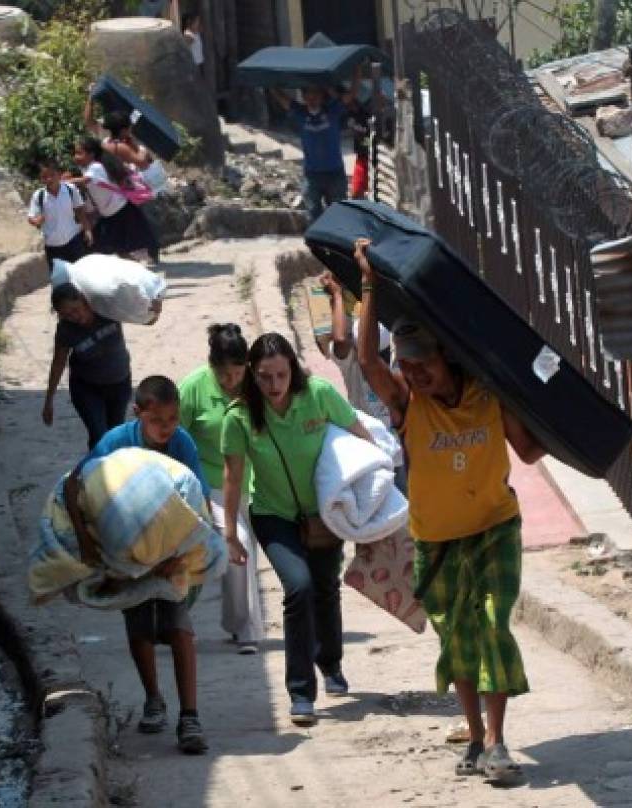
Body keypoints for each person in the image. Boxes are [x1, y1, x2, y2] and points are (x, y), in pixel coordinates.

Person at [351, 237, 545, 785]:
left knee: (490, 623)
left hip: (493, 530)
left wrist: (565, 424)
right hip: (434, 542)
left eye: (422, 365)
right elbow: (366, 360)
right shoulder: (405, 407)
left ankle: (500, 741)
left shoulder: (488, 395)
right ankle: (475, 736)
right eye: (407, 368)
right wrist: (366, 283)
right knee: (456, 637)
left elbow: (529, 449)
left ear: (446, 356)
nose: (414, 376)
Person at [220, 333, 375, 726]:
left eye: (281, 375)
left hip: (324, 513)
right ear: (252, 377)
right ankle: (301, 692)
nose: (274, 386)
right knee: (299, 586)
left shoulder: (319, 395)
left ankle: (331, 664)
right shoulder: (239, 417)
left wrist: (377, 493)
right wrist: (230, 533)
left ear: (293, 371)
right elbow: (233, 479)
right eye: (265, 377)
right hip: (273, 517)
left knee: (325, 587)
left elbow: (361, 436)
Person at [61, 375, 210, 755]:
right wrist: (85, 543)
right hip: (128, 557)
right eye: (157, 421)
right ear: (137, 414)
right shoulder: (115, 444)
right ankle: (154, 699)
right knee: (140, 626)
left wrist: (178, 554)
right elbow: (73, 486)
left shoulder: (182, 444)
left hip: (174, 556)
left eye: (173, 419)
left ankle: (189, 716)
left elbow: (200, 502)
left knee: (179, 629)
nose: (166, 429)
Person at [179, 324, 264, 654]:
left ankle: (235, 620)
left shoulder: (258, 383)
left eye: (237, 372)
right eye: (223, 375)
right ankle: (246, 629)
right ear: (211, 366)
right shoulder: (193, 388)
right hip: (212, 483)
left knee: (247, 552)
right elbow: (173, 434)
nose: (231, 382)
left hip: (257, 480)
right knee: (238, 544)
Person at [318, 269, 406, 492]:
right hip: (368, 449)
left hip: (401, 452)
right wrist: (337, 296)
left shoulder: (400, 363)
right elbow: (339, 338)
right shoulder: (353, 365)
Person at [42, 282, 133, 450]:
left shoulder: (107, 310)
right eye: (67, 315)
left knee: (115, 437)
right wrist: (49, 400)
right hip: (87, 388)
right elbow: (58, 363)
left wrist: (154, 308)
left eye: (75, 309)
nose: (74, 317)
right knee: (99, 436)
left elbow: (141, 314)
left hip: (120, 384)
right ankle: (97, 473)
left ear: (84, 300)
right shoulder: (66, 330)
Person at [269, 75, 358, 222]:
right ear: (303, 97)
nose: (313, 98)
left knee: (339, 214)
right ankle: (317, 244)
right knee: (313, 214)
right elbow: (281, 98)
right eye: (309, 94)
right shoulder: (300, 113)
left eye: (316, 94)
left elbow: (352, 93)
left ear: (323, 96)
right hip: (312, 175)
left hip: (335, 173)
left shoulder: (333, 110)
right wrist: (270, 82)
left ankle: (336, 243)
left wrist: (357, 70)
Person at [71, 137, 160, 263]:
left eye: (79, 153)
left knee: (138, 241)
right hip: (110, 214)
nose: (75, 156)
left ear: (91, 154)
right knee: (119, 247)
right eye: (75, 153)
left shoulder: (95, 167)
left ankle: (146, 259)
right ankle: (135, 266)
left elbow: (85, 181)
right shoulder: (86, 169)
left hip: (122, 210)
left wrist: (63, 182)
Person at [28, 162, 92, 270]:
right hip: (53, 246)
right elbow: (31, 217)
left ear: (59, 174)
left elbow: (80, 211)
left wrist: (87, 229)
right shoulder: (39, 196)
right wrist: (36, 221)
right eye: (44, 177)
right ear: (40, 179)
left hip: (74, 241)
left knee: (81, 273)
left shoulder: (70, 189)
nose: (49, 179)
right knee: (60, 280)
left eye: (52, 175)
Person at [182, 12, 204, 77]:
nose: (198, 24)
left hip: (198, 63)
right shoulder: (188, 35)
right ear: (189, 23)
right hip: (193, 65)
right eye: (196, 22)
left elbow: (201, 29)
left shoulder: (195, 33)